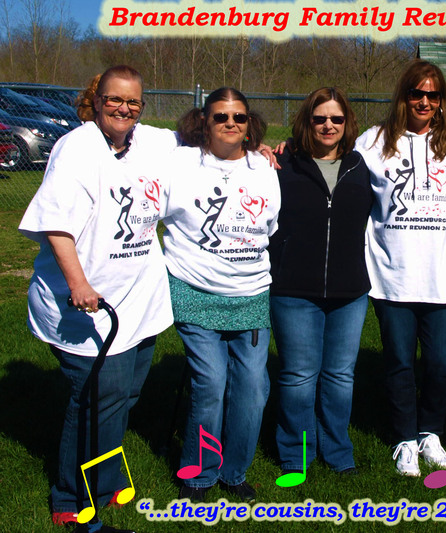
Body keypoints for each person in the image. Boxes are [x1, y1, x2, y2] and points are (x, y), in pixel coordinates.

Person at [18, 65, 178, 530]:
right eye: (115, 100)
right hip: (84, 307)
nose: (124, 109)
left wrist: (260, 148)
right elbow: (57, 225)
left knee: (125, 396)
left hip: (138, 302)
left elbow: (197, 135)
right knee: (91, 402)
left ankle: (104, 479)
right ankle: (70, 496)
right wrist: (79, 284)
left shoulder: (146, 140)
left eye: (133, 102)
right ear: (97, 100)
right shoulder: (77, 149)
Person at [164, 87, 280, 502]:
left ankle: (234, 472)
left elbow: (271, 227)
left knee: (253, 388)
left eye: (239, 117)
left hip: (250, 293)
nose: (230, 123)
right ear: (204, 122)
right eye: (220, 117)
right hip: (194, 287)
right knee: (210, 384)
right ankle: (199, 474)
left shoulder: (265, 169)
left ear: (250, 125)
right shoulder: (180, 162)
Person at [355, 60, 446, 477]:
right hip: (391, 273)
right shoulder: (374, 141)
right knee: (399, 362)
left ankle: (430, 433)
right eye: (416, 92)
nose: (423, 101)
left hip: (441, 276)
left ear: (441, 102)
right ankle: (403, 440)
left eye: (432, 95)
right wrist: (285, 150)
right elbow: (330, 162)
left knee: (440, 363)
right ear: (403, 95)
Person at [268, 87, 373, 475]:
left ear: (347, 124)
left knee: (340, 376)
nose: (328, 125)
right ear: (307, 121)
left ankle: (337, 452)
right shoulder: (283, 163)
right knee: (298, 376)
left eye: (336, 119)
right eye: (320, 118)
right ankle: (296, 454)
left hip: (349, 291)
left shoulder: (362, 164)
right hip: (294, 289)